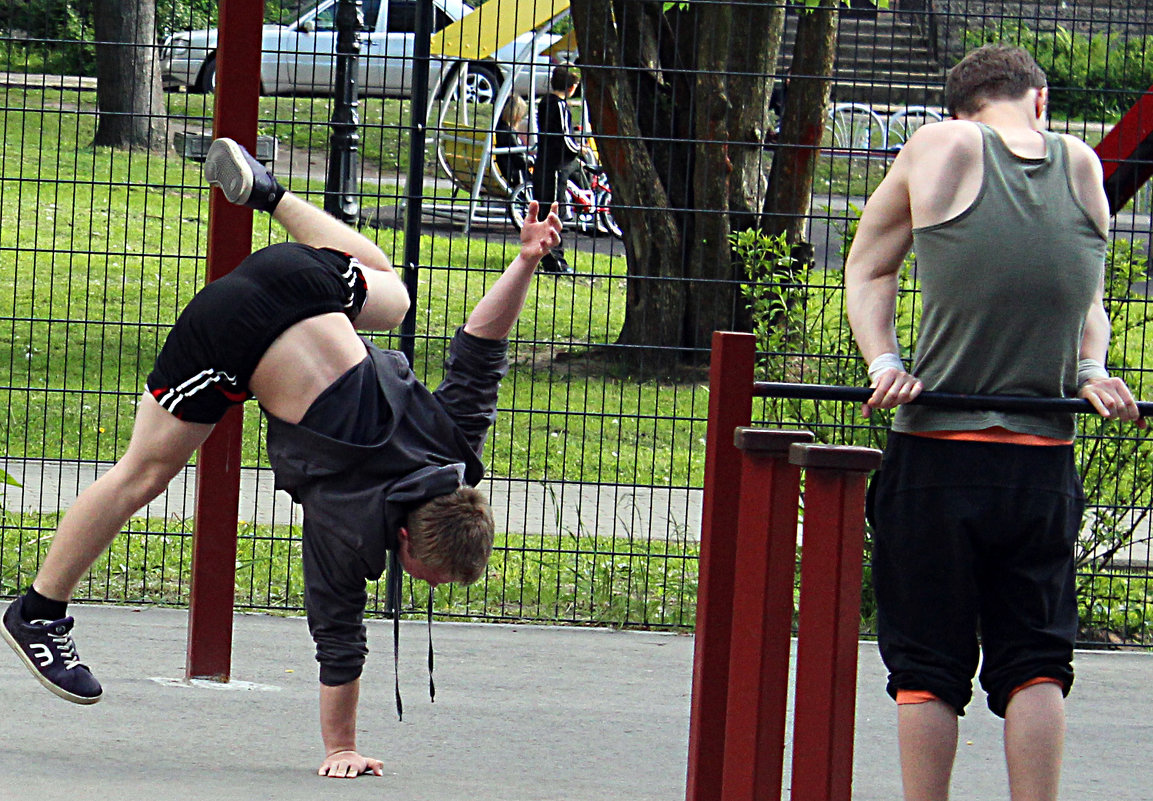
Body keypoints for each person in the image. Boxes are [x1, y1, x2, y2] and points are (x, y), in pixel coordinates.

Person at [2, 137, 562, 779]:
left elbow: (480, 346)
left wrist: (523, 262)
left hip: (301, 276)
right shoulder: (350, 525)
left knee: (396, 296)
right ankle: (37, 613)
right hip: (231, 332)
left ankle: (270, 194)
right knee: (144, 474)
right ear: (403, 535)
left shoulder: (453, 445)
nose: (427, 586)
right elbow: (339, 635)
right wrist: (341, 749)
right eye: (427, 574)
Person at [844, 44, 1143, 801]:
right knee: (1036, 657)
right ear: (1038, 100)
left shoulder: (939, 144)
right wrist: (1088, 373)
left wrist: (885, 363)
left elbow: (869, 268)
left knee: (926, 664)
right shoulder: (1081, 166)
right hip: (1041, 459)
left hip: (937, 451)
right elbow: (1087, 301)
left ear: (959, 109)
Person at [533, 65, 585, 274]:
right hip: (556, 165)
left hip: (544, 162)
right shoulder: (560, 106)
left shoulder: (544, 103)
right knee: (554, 213)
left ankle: (545, 257)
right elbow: (564, 137)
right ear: (572, 87)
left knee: (544, 211)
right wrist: (578, 150)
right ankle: (556, 262)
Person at [495, 94, 530, 188]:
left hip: (500, 170)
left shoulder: (497, 128)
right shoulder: (508, 133)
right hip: (513, 175)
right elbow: (520, 160)